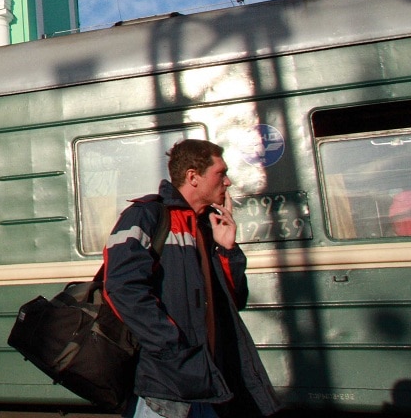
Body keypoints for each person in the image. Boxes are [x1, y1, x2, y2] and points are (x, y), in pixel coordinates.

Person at [103, 139, 280, 418]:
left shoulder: (206, 227)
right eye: (221, 173)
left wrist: (227, 249)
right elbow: (122, 288)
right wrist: (172, 348)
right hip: (168, 384)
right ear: (193, 177)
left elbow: (235, 300)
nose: (229, 182)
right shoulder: (146, 216)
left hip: (208, 379)